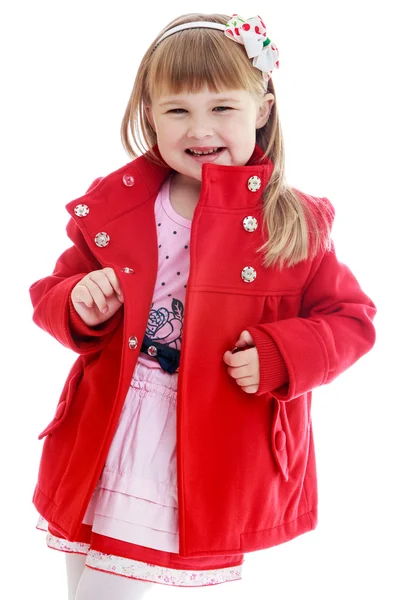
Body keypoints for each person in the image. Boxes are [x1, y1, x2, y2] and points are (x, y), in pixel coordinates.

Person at [29, 11, 377, 600]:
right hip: (105, 423)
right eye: (178, 111)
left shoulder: (291, 223)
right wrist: (78, 303)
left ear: (262, 110)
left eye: (222, 108)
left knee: (102, 593)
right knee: (83, 580)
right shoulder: (119, 205)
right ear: (149, 117)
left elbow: (350, 322)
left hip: (191, 441)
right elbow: (54, 290)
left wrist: (278, 354)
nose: (201, 129)